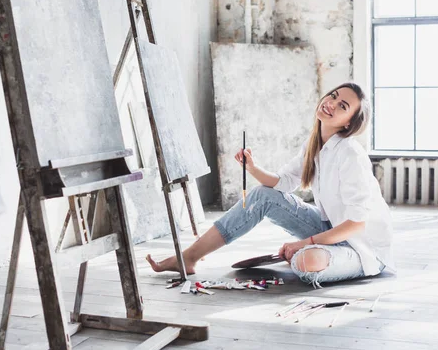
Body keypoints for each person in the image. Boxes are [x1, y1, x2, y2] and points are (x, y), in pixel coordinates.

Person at [146, 82, 395, 287]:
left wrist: (303, 244)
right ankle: (189, 257)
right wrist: (252, 167)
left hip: (362, 248)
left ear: (348, 123)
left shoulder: (350, 153)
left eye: (342, 106)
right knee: (262, 195)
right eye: (333, 95)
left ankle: (304, 256)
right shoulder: (315, 146)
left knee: (305, 263)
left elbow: (356, 224)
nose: (330, 103)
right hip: (329, 229)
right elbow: (283, 183)